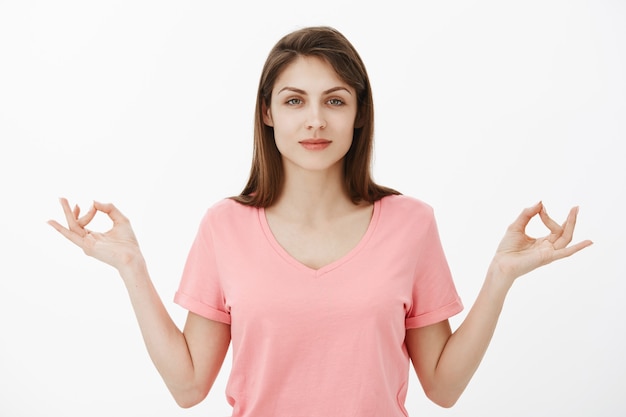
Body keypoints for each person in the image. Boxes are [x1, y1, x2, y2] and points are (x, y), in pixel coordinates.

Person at [48, 26, 592, 417]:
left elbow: (443, 388)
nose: (314, 120)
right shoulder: (224, 227)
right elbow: (189, 387)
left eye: (335, 100)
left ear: (358, 115)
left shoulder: (411, 223)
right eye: (294, 100)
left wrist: (499, 276)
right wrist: (130, 267)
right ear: (268, 112)